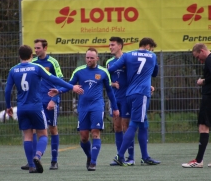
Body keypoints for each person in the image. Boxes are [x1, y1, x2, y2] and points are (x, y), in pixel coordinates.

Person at [5, 45, 83, 173]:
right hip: (36, 106)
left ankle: (31, 165)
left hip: (22, 108)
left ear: (19, 56)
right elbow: (54, 79)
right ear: (31, 55)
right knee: (43, 135)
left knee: (28, 136)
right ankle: (38, 155)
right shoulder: (37, 67)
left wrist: (8, 106)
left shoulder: (13, 70)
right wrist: (72, 87)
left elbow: (8, 90)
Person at [50, 48, 119, 171]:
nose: (89, 60)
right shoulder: (79, 71)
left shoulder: (103, 72)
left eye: (92, 58)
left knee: (95, 133)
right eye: (87, 57)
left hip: (97, 106)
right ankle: (89, 156)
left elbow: (110, 91)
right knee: (83, 137)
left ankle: (93, 163)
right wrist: (59, 91)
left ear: (97, 58)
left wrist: (115, 108)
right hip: (83, 107)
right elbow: (70, 85)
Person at [108, 37, 160, 166]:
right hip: (142, 94)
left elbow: (111, 69)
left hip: (129, 94)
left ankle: (145, 157)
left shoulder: (128, 55)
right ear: (148, 46)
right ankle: (120, 156)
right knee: (134, 124)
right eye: (151, 48)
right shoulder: (152, 56)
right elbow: (154, 73)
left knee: (143, 124)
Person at [20, 39, 64, 171]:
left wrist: (54, 100)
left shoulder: (53, 62)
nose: (36, 50)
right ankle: (32, 160)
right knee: (32, 130)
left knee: (52, 129)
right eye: (35, 48)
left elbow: (59, 80)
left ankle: (54, 161)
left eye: (38, 48)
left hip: (49, 101)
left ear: (45, 48)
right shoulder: (32, 63)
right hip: (36, 103)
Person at [181, 43, 211, 168]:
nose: (199, 60)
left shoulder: (210, 60)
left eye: (197, 57)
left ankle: (199, 160)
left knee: (203, 126)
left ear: (202, 51)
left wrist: (203, 81)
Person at [106, 37, 135, 166]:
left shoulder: (128, 59)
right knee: (117, 126)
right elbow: (106, 80)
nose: (110, 47)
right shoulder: (109, 62)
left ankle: (131, 157)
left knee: (126, 127)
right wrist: (112, 84)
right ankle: (120, 157)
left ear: (120, 46)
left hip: (127, 98)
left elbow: (136, 76)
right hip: (115, 98)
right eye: (109, 45)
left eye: (112, 45)